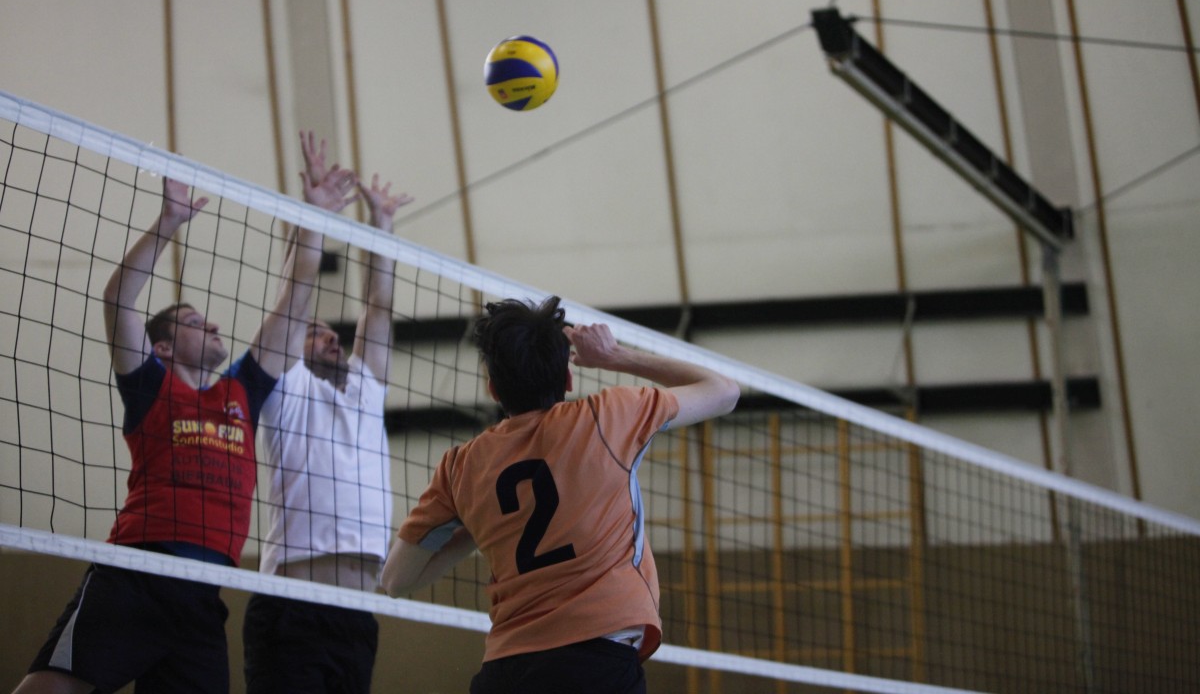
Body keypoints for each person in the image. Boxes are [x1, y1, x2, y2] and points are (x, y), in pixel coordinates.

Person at [13, 168, 357, 694]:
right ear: (163, 348)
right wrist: (169, 221)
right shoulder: (149, 385)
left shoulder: (241, 390)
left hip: (205, 595)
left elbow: (294, 302)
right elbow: (117, 300)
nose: (213, 325)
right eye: (195, 323)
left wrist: (313, 220)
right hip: (138, 575)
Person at [381, 296, 741, 694]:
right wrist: (614, 355)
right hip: (597, 665)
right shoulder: (608, 416)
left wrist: (476, 525)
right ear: (568, 379)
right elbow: (724, 391)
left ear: (493, 389)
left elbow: (396, 580)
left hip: (506, 672)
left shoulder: (459, 467)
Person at [242, 131, 413, 694]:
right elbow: (294, 294)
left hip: (357, 618)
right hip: (293, 608)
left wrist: (381, 225)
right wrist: (313, 216)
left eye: (331, 333)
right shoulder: (286, 387)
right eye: (315, 333)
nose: (331, 337)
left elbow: (379, 306)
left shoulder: (365, 390)